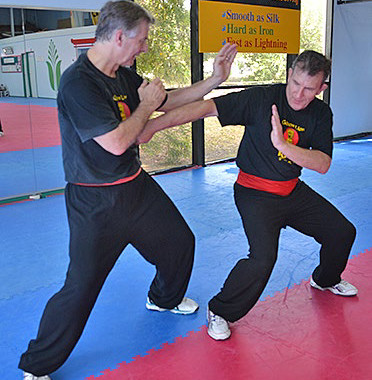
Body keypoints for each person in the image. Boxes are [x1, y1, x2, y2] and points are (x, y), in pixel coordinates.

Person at [18, 1, 237, 379]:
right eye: (142, 39)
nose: (146, 46)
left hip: (135, 187)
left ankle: (162, 299)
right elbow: (118, 141)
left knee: (179, 242)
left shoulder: (121, 73)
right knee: (80, 287)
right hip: (94, 201)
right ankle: (38, 365)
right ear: (119, 36)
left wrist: (214, 79)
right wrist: (146, 107)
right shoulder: (77, 83)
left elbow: (165, 100)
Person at [137, 50, 358, 341]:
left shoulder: (320, 113)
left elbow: (323, 164)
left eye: (309, 89)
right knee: (263, 258)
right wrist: (152, 126)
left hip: (292, 191)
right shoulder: (262, 99)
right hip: (254, 193)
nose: (299, 94)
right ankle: (220, 310)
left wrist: (282, 144)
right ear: (290, 74)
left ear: (321, 89)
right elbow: (205, 108)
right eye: (295, 84)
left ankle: (325, 279)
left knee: (343, 232)